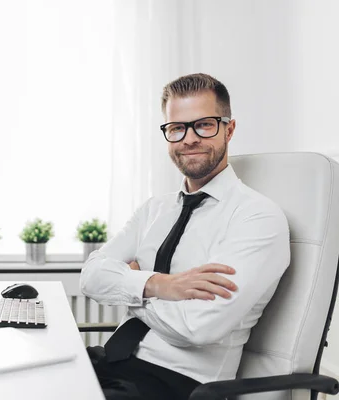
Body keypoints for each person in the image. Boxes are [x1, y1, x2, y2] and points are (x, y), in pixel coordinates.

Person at [80, 73, 290, 400]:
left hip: (176, 385)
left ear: (228, 129)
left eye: (203, 125)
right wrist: (157, 285)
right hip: (111, 362)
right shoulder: (154, 209)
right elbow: (90, 276)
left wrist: (129, 286)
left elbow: (197, 328)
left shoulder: (257, 218)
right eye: (177, 128)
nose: (189, 139)